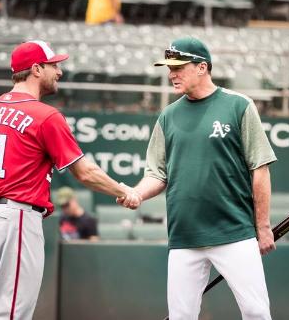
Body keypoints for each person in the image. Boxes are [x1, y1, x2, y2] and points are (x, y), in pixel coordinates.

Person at [0, 40, 141, 320]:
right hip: (17, 220)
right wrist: (122, 190)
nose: (59, 71)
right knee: (11, 316)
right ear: (36, 69)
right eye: (54, 65)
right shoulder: (44, 115)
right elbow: (84, 172)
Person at [118, 37, 277, 320]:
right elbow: (156, 173)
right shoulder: (167, 116)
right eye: (169, 68)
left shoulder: (238, 105)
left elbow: (260, 168)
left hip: (234, 231)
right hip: (184, 236)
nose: (171, 74)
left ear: (202, 67)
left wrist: (262, 226)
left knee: (256, 312)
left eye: (178, 67)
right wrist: (138, 194)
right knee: (181, 316)